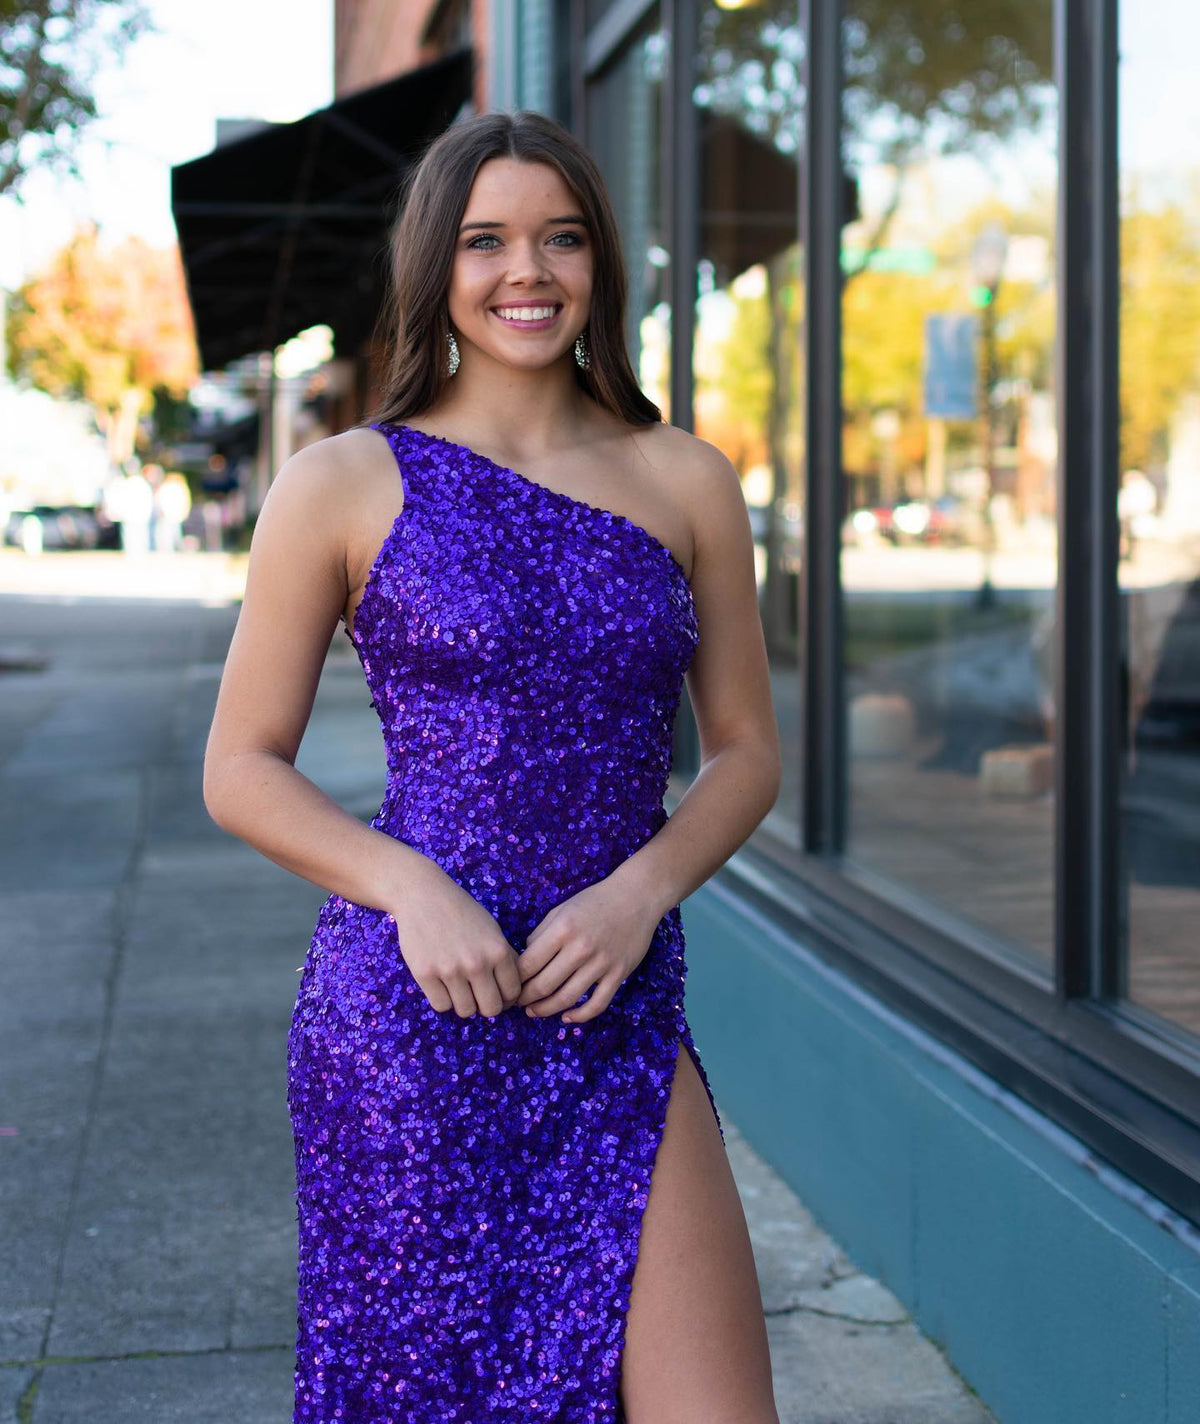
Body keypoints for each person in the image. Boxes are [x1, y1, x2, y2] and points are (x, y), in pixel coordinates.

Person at [202, 109, 781, 1423]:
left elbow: (747, 753)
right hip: (409, 1016)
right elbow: (240, 768)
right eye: (488, 240)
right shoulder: (341, 481)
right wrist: (407, 886)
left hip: (613, 1002)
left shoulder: (685, 478)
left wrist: (641, 893)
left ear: (602, 266)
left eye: (561, 237)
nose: (529, 271)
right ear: (436, 269)